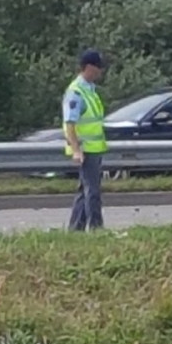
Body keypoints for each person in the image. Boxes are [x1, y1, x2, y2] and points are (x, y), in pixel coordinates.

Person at [62, 49, 108, 231]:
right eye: (98, 67)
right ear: (89, 67)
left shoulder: (90, 90)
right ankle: (96, 228)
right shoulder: (76, 92)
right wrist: (76, 150)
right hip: (85, 149)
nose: (101, 71)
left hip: (93, 148)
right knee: (92, 191)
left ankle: (76, 228)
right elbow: (70, 123)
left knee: (84, 190)